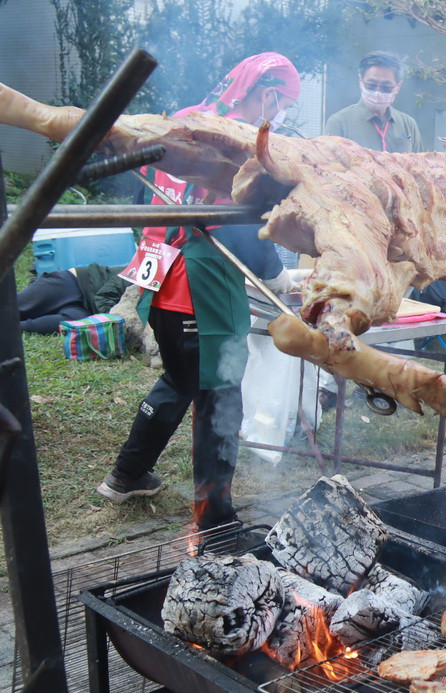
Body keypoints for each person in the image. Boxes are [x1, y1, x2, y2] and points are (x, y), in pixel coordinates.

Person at [96, 53, 299, 530]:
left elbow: (142, 204)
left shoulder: (185, 124)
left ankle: (126, 476)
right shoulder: (235, 143)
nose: (281, 113)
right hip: (201, 289)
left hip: (159, 280)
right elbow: (244, 229)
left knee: (181, 378)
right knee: (220, 395)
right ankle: (215, 515)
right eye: (284, 102)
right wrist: (278, 280)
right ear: (267, 94)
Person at [324, 50, 423, 153]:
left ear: (398, 87)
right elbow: (326, 165)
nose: (378, 92)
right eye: (371, 85)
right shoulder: (339, 122)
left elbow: (422, 166)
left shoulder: (408, 124)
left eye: (386, 87)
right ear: (360, 81)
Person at [18, 264, 126, 334]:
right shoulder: (137, 272)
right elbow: (104, 296)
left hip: (87, 310)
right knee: (12, 309)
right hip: (73, 282)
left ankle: (13, 328)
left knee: (78, 326)